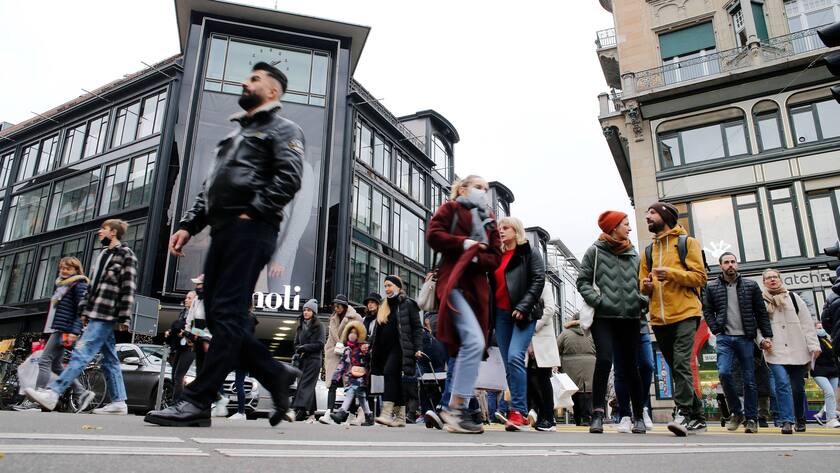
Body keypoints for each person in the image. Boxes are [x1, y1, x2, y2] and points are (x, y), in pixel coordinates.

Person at [147, 61, 304, 428]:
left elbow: (290, 176)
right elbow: (209, 188)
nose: (244, 82)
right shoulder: (233, 137)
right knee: (220, 318)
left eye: (254, 79)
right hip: (222, 231)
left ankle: (198, 400)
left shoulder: (284, 129)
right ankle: (274, 373)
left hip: (252, 230)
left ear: (273, 91)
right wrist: (189, 224)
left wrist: (255, 210)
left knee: (228, 315)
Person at [26, 220, 137, 415]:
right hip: (94, 312)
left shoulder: (126, 255)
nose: (99, 232)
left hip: (107, 312)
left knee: (82, 352)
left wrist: (124, 318)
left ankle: (53, 392)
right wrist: (84, 312)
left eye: (103, 229)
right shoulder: (102, 255)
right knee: (109, 360)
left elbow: (128, 288)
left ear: (113, 232)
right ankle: (119, 402)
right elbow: (92, 286)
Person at [427, 174, 502, 433]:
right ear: (463, 188)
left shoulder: (490, 222)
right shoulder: (450, 209)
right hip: (454, 285)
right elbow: (433, 235)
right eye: (478, 186)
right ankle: (456, 408)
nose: (483, 191)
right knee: (473, 342)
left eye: (486, 188)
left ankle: (455, 407)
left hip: (477, 293)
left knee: (468, 347)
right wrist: (465, 244)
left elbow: (494, 258)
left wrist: (474, 258)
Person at [639, 202, 708, 436]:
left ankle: (683, 414)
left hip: (686, 313)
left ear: (665, 217)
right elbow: (642, 284)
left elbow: (700, 277)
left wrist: (671, 274)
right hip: (659, 318)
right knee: (677, 367)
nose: (647, 217)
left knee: (680, 363)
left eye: (652, 213)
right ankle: (699, 416)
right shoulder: (648, 251)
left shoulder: (687, 243)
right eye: (647, 213)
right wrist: (646, 285)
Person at [578, 210, 647, 434]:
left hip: (630, 316)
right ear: (613, 227)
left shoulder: (634, 254)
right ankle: (597, 413)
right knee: (604, 360)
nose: (629, 228)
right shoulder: (594, 252)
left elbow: (645, 283)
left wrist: (642, 300)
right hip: (604, 317)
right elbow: (583, 281)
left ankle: (639, 416)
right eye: (625, 224)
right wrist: (598, 301)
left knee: (630, 365)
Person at [702, 252, 773, 433]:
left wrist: (767, 336)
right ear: (721, 266)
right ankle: (736, 412)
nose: (730, 265)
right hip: (725, 338)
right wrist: (716, 328)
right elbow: (707, 310)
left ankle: (751, 418)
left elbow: (761, 312)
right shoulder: (712, 287)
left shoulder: (750, 285)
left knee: (749, 379)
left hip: (746, 338)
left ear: (737, 265)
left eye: (733, 262)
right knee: (724, 373)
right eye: (727, 262)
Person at [490, 216, 545, 432]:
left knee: (515, 357)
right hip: (501, 315)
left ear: (516, 230)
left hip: (523, 313)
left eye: (506, 228)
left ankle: (519, 412)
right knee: (508, 364)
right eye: (499, 228)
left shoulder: (528, 252)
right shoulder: (496, 255)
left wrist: (523, 306)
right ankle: (517, 411)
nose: (501, 231)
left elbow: (538, 279)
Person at [25, 257, 94, 412]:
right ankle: (81, 392)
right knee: (56, 365)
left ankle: (39, 397)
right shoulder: (63, 285)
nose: (63, 271)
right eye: (62, 268)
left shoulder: (78, 285)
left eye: (68, 268)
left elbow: (80, 310)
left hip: (65, 330)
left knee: (44, 361)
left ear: (76, 270)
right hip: (59, 328)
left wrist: (74, 331)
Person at [758, 268, 820, 434]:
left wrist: (814, 345)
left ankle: (800, 418)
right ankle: (787, 421)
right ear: (764, 282)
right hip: (775, 351)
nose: (772, 280)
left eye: (775, 277)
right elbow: (757, 326)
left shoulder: (794, 298)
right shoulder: (760, 301)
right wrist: (762, 341)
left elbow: (807, 323)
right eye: (769, 278)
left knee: (797, 388)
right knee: (782, 384)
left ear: (780, 279)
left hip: (798, 349)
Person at [370, 276, 423, 427]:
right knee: (397, 381)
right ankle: (400, 417)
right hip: (384, 350)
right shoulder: (383, 305)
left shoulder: (408, 304)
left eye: (390, 285)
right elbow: (377, 330)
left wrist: (418, 348)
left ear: (398, 287)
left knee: (389, 373)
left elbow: (417, 328)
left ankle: (386, 412)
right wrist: (369, 344)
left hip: (400, 348)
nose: (387, 289)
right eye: (385, 286)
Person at [320, 294, 363, 423]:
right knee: (332, 383)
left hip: (349, 354)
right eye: (335, 305)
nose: (336, 308)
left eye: (338, 306)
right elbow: (331, 337)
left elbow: (360, 336)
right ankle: (329, 412)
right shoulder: (333, 318)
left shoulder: (355, 318)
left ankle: (350, 413)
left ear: (344, 306)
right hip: (334, 353)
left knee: (349, 385)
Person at [527, 283, 562, 432]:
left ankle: (548, 416)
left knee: (543, 379)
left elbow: (550, 309)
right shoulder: (523, 285)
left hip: (542, 338)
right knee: (530, 379)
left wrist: (533, 328)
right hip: (528, 339)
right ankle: (542, 414)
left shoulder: (544, 285)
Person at [613, 315, 655, 431]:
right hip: (617, 325)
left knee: (647, 365)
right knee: (620, 371)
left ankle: (641, 407)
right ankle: (625, 415)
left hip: (639, 324)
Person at [329, 321, 372, 425]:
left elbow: (369, 361)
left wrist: (367, 352)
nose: (352, 335)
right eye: (350, 332)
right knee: (361, 396)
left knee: (351, 392)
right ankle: (369, 416)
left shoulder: (363, 348)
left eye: (355, 333)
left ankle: (341, 413)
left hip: (361, 377)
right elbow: (342, 364)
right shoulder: (347, 350)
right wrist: (335, 378)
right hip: (350, 377)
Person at [557, 312, 596, 426]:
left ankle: (578, 417)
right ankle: (586, 417)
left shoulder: (565, 334)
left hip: (569, 367)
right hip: (590, 366)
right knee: (587, 392)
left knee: (574, 392)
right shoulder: (592, 333)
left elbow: (556, 349)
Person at [291, 299, 324, 421]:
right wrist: (298, 350)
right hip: (302, 360)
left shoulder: (319, 326)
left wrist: (304, 347)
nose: (305, 312)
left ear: (313, 312)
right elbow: (295, 344)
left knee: (305, 384)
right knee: (306, 385)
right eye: (304, 310)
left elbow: (320, 344)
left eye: (308, 310)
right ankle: (311, 413)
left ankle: (299, 409)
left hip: (314, 360)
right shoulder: (300, 327)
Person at [229, 310, 259, 420]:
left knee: (238, 383)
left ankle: (241, 412)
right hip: (240, 354)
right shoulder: (244, 316)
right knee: (237, 383)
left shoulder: (248, 318)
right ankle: (240, 412)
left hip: (242, 355)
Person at [168, 291, 196, 402]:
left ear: (195, 300)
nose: (186, 300)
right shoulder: (183, 312)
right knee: (174, 375)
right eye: (186, 298)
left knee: (178, 376)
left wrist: (186, 334)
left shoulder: (197, 314)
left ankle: (177, 403)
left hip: (190, 347)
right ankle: (179, 402)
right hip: (180, 346)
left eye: (189, 298)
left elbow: (200, 331)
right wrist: (170, 332)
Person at [811, 322, 839, 428]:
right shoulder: (813, 341)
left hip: (833, 371)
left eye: (822, 327)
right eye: (818, 328)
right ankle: (831, 418)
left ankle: (825, 415)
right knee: (829, 393)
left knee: (832, 396)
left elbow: (835, 357)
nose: (821, 329)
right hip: (819, 371)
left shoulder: (828, 340)